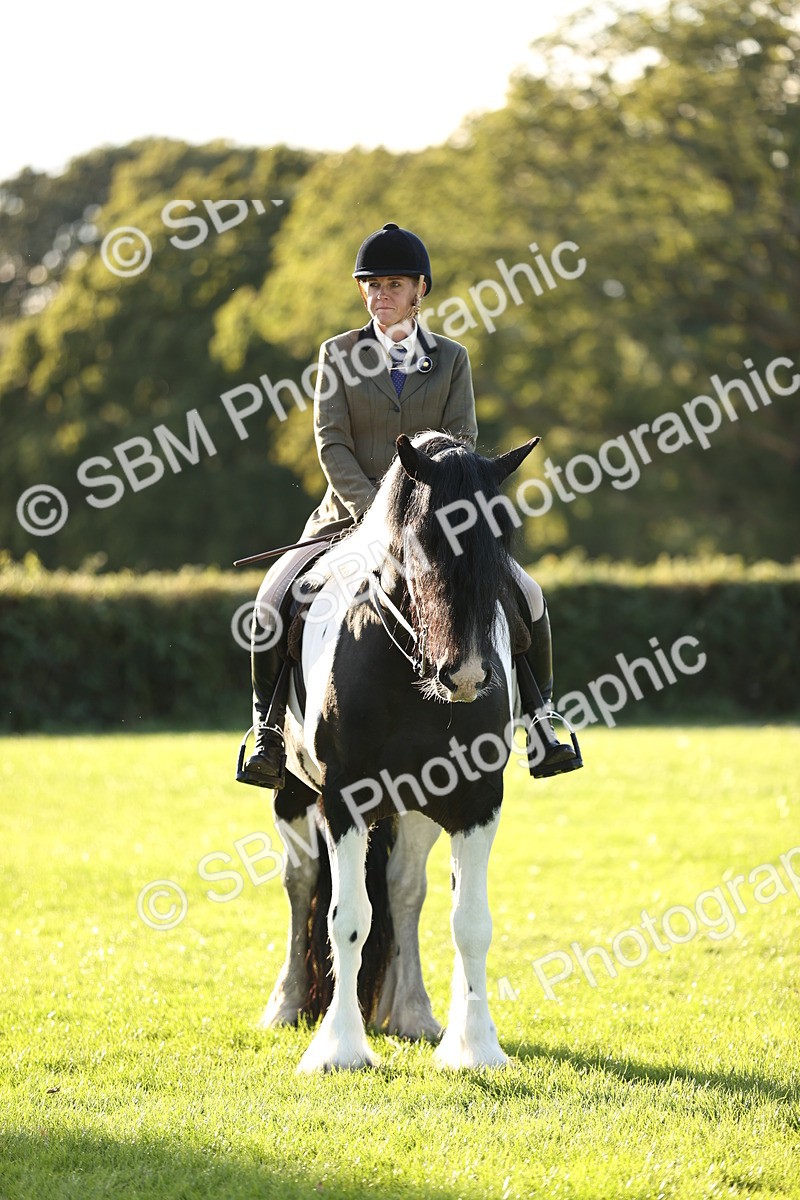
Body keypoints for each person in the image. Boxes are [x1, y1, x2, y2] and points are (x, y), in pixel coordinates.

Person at [237, 222, 581, 788]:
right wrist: (379, 515)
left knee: (527, 593)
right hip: (347, 518)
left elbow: (461, 441)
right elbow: (331, 441)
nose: (381, 295)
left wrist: (421, 514)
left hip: (439, 522)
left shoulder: (451, 359)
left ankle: (542, 724)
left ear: (420, 289)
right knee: (274, 597)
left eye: (393, 284)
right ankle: (268, 731)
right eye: (371, 285)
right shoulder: (337, 353)